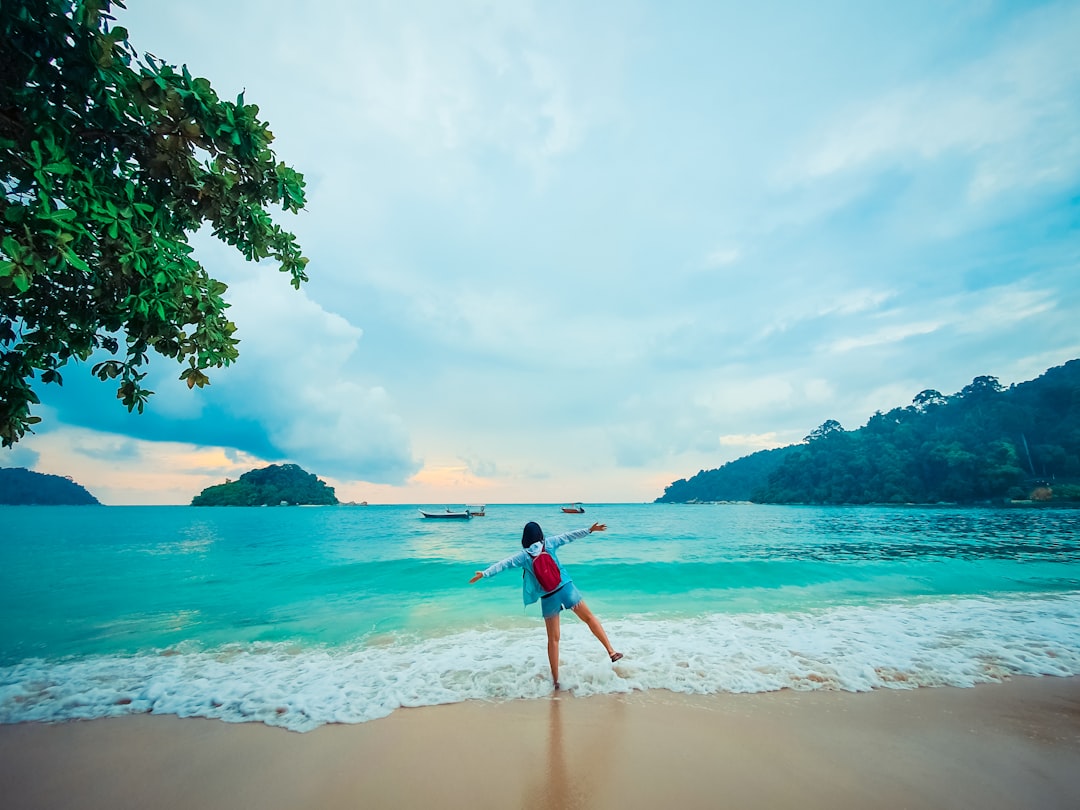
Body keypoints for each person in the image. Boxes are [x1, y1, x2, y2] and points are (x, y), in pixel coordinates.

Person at [469, 520, 622, 689]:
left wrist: (484, 573)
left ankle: (556, 680)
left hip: (549, 598)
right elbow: (568, 536)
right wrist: (589, 530)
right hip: (566, 588)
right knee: (589, 618)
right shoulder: (548, 543)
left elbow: (504, 564)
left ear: (525, 538)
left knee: (553, 640)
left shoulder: (524, 556)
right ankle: (611, 651)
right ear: (540, 534)